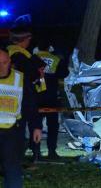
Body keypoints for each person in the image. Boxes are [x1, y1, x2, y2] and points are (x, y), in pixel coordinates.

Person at [0, 48, 42, 188]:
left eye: (4, 63)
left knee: (12, 168)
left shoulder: (20, 79)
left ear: (10, 62)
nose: (1, 67)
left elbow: (31, 104)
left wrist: (36, 126)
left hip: (12, 131)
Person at [6, 25, 44, 162]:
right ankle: (17, 161)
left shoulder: (9, 53)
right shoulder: (19, 56)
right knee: (20, 131)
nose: (30, 42)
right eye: (29, 39)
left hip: (14, 98)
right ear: (24, 39)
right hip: (23, 97)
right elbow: (31, 74)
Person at [34, 39, 68, 159]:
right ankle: (52, 151)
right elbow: (64, 73)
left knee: (35, 125)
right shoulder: (55, 59)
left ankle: (35, 152)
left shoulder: (33, 57)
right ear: (50, 48)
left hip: (36, 96)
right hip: (51, 96)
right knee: (53, 125)